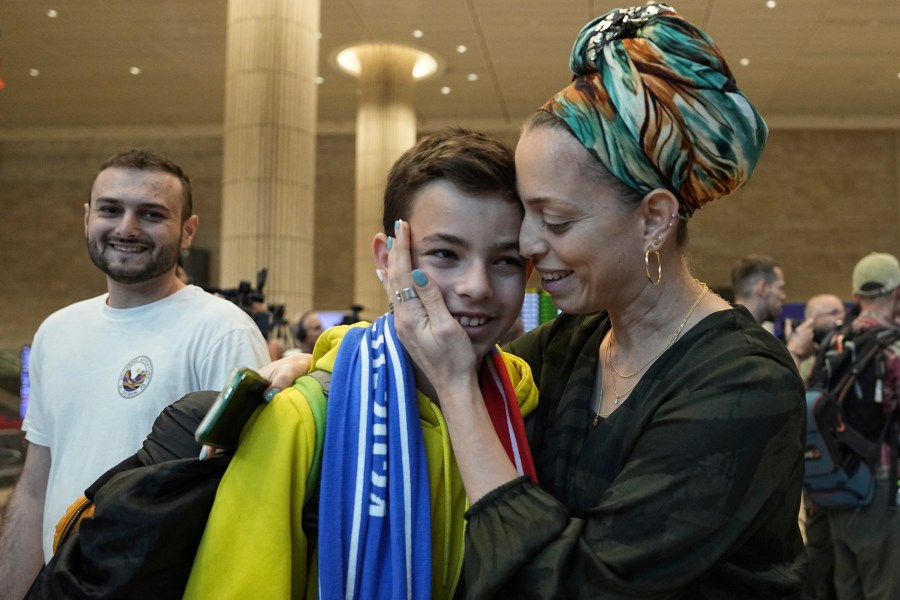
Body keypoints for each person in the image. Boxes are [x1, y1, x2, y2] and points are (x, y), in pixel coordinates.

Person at [382, 5, 807, 597]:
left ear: (654, 219)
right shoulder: (572, 344)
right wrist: (328, 367)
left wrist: (457, 389)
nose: (529, 245)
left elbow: (580, 584)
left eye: (554, 220)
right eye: (527, 215)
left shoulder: (745, 384)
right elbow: (436, 364)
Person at [182, 128, 538, 599]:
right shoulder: (305, 416)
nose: (477, 286)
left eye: (506, 261)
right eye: (445, 254)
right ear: (388, 259)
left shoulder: (531, 405)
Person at [0, 149, 270, 599]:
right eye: (110, 209)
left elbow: (248, 498)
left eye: (151, 214)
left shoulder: (221, 331)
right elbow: (35, 485)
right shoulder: (57, 331)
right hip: (61, 586)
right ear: (88, 218)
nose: (126, 228)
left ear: (188, 231)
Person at [822, 252, 900, 599]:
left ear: (855, 297)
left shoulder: (831, 344)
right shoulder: (894, 348)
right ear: (897, 294)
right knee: (884, 585)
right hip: (880, 487)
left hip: (834, 483)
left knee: (847, 585)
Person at [731, 253, 787, 325]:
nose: (783, 296)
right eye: (780, 288)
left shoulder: (723, 330)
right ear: (763, 288)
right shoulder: (743, 334)